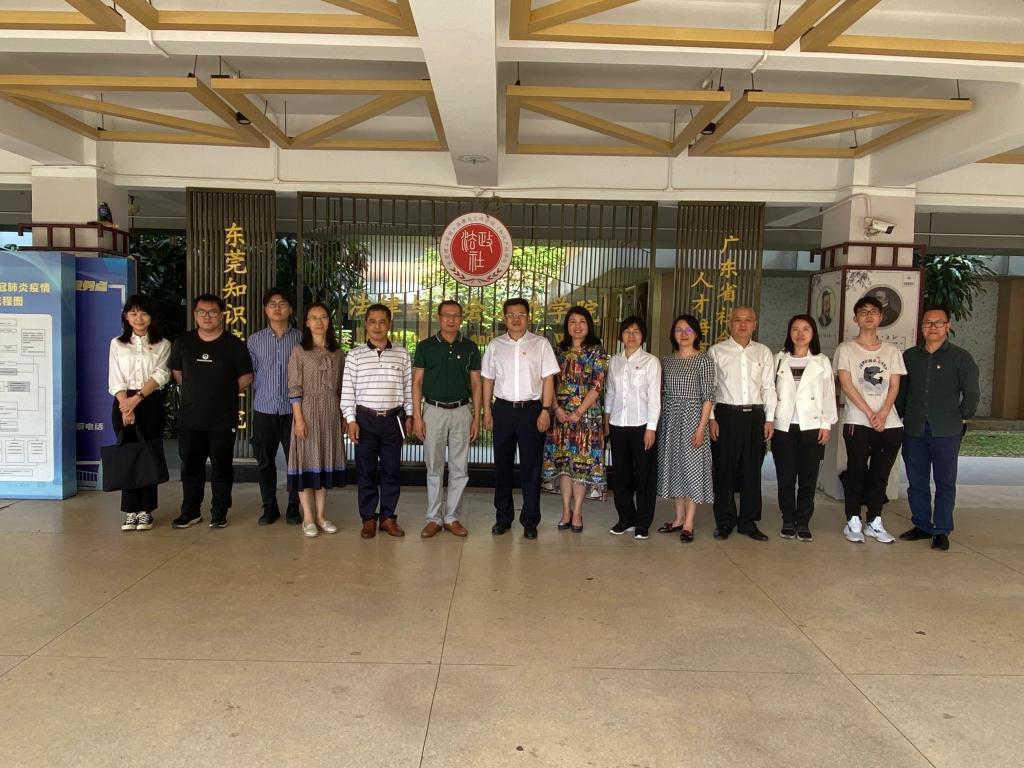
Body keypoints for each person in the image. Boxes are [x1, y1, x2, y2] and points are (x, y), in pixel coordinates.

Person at [895, 306, 980, 551]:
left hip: (946, 430)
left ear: (947, 326)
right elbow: (902, 392)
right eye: (927, 323)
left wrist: (963, 416)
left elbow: (971, 392)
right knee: (916, 480)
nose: (932, 327)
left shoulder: (961, 357)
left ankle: (941, 529)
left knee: (945, 481)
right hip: (914, 428)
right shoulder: (910, 356)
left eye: (938, 323)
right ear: (921, 327)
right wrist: (900, 415)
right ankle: (922, 525)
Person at [169, 293, 254, 529]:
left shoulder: (234, 344)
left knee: (221, 466)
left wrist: (224, 392)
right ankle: (190, 511)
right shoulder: (183, 342)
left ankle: (219, 512)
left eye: (213, 312)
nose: (207, 316)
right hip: (191, 417)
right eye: (202, 312)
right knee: (190, 467)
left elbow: (246, 376)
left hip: (222, 418)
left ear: (222, 315)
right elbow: (177, 373)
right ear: (195, 315)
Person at [481, 298, 559, 540]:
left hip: (531, 411)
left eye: (521, 314)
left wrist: (546, 410)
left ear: (528, 317)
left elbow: (548, 379)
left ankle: (530, 520)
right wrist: (486, 411)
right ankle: (503, 518)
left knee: (531, 468)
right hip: (503, 410)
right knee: (502, 467)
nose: (516, 319)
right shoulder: (495, 345)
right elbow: (488, 380)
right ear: (504, 318)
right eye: (511, 315)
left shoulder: (541, 344)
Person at [834, 295, 905, 545]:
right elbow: (847, 385)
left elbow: (894, 385)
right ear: (855, 318)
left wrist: (883, 413)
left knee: (880, 474)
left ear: (881, 317)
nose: (869, 315)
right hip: (857, 420)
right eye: (863, 311)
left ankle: (874, 520)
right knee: (856, 471)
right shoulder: (846, 349)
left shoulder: (892, 351)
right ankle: (853, 519)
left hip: (889, 422)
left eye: (874, 311)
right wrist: (869, 412)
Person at [340, 303, 413, 540]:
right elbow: (348, 391)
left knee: (392, 471)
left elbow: (408, 389)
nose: (378, 326)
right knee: (366, 471)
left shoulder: (402, 354)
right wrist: (351, 420)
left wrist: (410, 416)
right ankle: (369, 518)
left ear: (389, 324)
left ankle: (388, 517)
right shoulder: (355, 355)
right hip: (365, 420)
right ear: (366, 325)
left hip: (393, 420)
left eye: (383, 321)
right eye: (372, 321)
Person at [412, 300, 481, 539]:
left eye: (456, 315)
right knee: (434, 467)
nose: (451, 320)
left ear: (461, 318)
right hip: (433, 411)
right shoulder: (426, 347)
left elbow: (476, 384)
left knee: (460, 467)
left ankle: (452, 517)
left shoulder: (470, 347)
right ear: (438, 317)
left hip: (462, 411)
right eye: (446, 315)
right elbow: (417, 382)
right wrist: (417, 416)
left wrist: (477, 417)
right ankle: (433, 518)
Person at [707, 306, 776, 541]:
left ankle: (748, 521)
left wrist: (769, 418)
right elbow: (710, 388)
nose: (743, 324)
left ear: (755, 324)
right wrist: (712, 419)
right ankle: (725, 521)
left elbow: (768, 387)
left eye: (748, 320)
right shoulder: (717, 351)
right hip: (726, 416)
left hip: (755, 417)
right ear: (730, 323)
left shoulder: (763, 352)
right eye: (738, 320)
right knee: (724, 470)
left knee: (752, 470)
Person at [771, 314, 838, 542]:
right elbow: (769, 392)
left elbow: (828, 394)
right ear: (789, 333)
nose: (800, 334)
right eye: (795, 329)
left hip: (812, 426)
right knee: (786, 477)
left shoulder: (821, 361)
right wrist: (768, 419)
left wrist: (826, 424)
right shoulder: (779, 359)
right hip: (783, 426)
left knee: (808, 478)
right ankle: (788, 519)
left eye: (805, 329)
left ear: (813, 333)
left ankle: (803, 521)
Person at [107, 294, 171, 531]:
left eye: (144, 313)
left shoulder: (163, 344)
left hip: (149, 402)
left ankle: (146, 510)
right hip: (122, 402)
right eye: (133, 313)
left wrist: (136, 400)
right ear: (126, 316)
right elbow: (115, 377)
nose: (139, 318)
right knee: (129, 454)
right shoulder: (117, 343)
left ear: (151, 317)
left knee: (148, 454)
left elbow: (161, 374)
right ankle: (130, 511)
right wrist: (125, 405)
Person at [542, 306, 608, 532]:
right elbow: (548, 382)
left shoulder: (597, 352)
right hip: (560, 417)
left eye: (582, 321)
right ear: (566, 326)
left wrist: (578, 412)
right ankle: (565, 510)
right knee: (563, 465)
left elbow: (597, 386)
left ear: (588, 325)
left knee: (581, 465)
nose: (577, 326)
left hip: (587, 418)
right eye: (573, 321)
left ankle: (577, 511)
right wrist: (556, 408)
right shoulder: (557, 352)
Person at [287, 303, 347, 538]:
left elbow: (342, 388)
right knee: (306, 462)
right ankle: (308, 519)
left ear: (329, 321)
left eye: (323, 317)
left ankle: (321, 516)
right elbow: (294, 387)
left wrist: (343, 416)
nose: (319, 321)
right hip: (307, 411)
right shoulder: (299, 351)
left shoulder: (337, 352)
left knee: (323, 462)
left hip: (331, 410)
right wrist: (299, 419)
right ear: (307, 323)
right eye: (314, 317)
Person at [654, 314, 714, 543]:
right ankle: (678, 518)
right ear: (673, 334)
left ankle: (689, 522)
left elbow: (708, 397)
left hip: (692, 418)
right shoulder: (667, 360)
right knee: (675, 467)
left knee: (692, 468)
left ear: (696, 334)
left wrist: (701, 428)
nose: (684, 334)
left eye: (689, 330)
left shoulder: (704, 360)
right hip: (670, 418)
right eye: (679, 329)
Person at [247, 288, 302, 526]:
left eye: (282, 303)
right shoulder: (254, 340)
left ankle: (294, 506)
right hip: (264, 408)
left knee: (295, 461)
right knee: (265, 461)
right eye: (272, 303)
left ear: (290, 309)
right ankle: (269, 506)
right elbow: (249, 373)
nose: (277, 307)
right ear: (265, 309)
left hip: (294, 411)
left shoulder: (302, 339)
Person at [604, 316, 661, 540]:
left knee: (645, 475)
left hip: (642, 425)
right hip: (618, 424)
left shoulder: (651, 362)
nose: (631, 335)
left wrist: (651, 428)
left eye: (636, 331)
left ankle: (643, 522)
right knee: (621, 475)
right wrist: (606, 421)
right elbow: (610, 393)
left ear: (642, 336)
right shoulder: (614, 361)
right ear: (621, 335)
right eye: (627, 331)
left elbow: (654, 398)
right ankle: (625, 518)